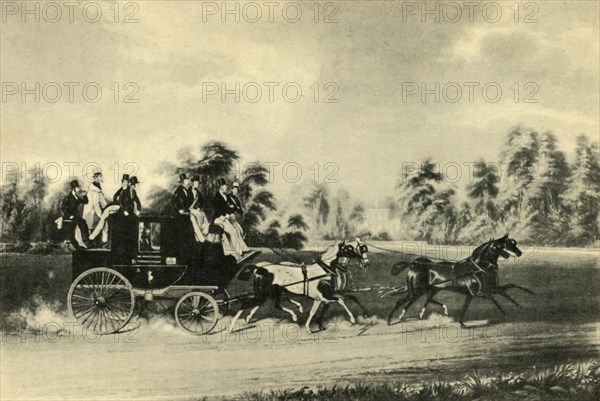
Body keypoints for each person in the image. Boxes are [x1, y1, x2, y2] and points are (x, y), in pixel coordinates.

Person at [213, 178, 249, 260]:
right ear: (221, 187)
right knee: (232, 231)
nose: (226, 187)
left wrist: (229, 214)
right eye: (225, 186)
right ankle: (239, 252)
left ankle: (243, 249)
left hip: (225, 218)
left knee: (235, 230)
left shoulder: (225, 196)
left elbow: (228, 208)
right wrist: (226, 215)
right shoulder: (216, 197)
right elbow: (217, 210)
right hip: (218, 218)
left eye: (226, 186)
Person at [89, 174, 129, 244]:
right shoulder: (122, 189)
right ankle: (102, 240)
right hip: (116, 206)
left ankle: (93, 237)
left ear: (128, 183)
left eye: (126, 182)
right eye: (123, 182)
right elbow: (115, 196)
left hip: (121, 208)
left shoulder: (128, 191)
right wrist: (117, 201)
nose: (124, 183)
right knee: (104, 218)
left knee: (104, 217)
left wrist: (125, 210)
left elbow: (127, 202)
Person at [61, 180, 91, 249]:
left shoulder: (77, 197)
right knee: (72, 233)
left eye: (78, 187)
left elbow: (85, 202)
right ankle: (79, 246)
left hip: (75, 216)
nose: (78, 189)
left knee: (83, 223)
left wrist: (85, 195)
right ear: (73, 189)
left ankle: (86, 241)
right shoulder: (68, 198)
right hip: (69, 217)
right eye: (77, 188)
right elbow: (63, 208)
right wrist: (69, 215)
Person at [190, 175, 210, 241]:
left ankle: (205, 230)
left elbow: (201, 202)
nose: (197, 184)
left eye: (198, 183)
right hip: (188, 209)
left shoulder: (198, 192)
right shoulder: (188, 191)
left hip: (194, 209)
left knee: (203, 213)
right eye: (196, 183)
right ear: (193, 182)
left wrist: (198, 207)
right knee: (199, 214)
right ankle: (200, 234)